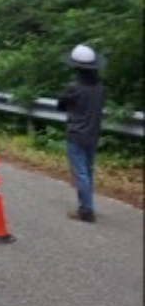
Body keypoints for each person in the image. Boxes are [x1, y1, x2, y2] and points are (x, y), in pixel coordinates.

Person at [57, 44, 106, 223]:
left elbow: (61, 104)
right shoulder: (100, 87)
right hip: (93, 135)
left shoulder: (74, 87)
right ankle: (87, 205)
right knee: (88, 171)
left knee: (81, 173)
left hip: (76, 134)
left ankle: (86, 210)